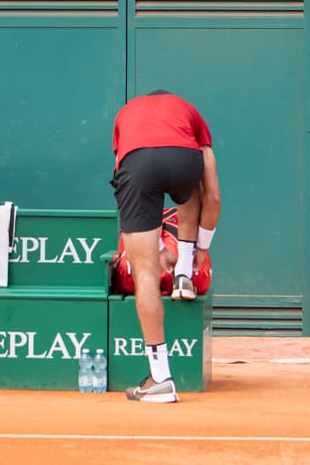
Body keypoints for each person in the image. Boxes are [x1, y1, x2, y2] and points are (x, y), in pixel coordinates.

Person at [110, 89, 221, 403]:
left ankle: (160, 379)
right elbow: (213, 197)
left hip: (138, 162)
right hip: (185, 161)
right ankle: (183, 275)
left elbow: (123, 173)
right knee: (192, 193)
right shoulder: (190, 113)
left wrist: (157, 245)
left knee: (145, 273)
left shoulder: (126, 113)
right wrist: (202, 248)